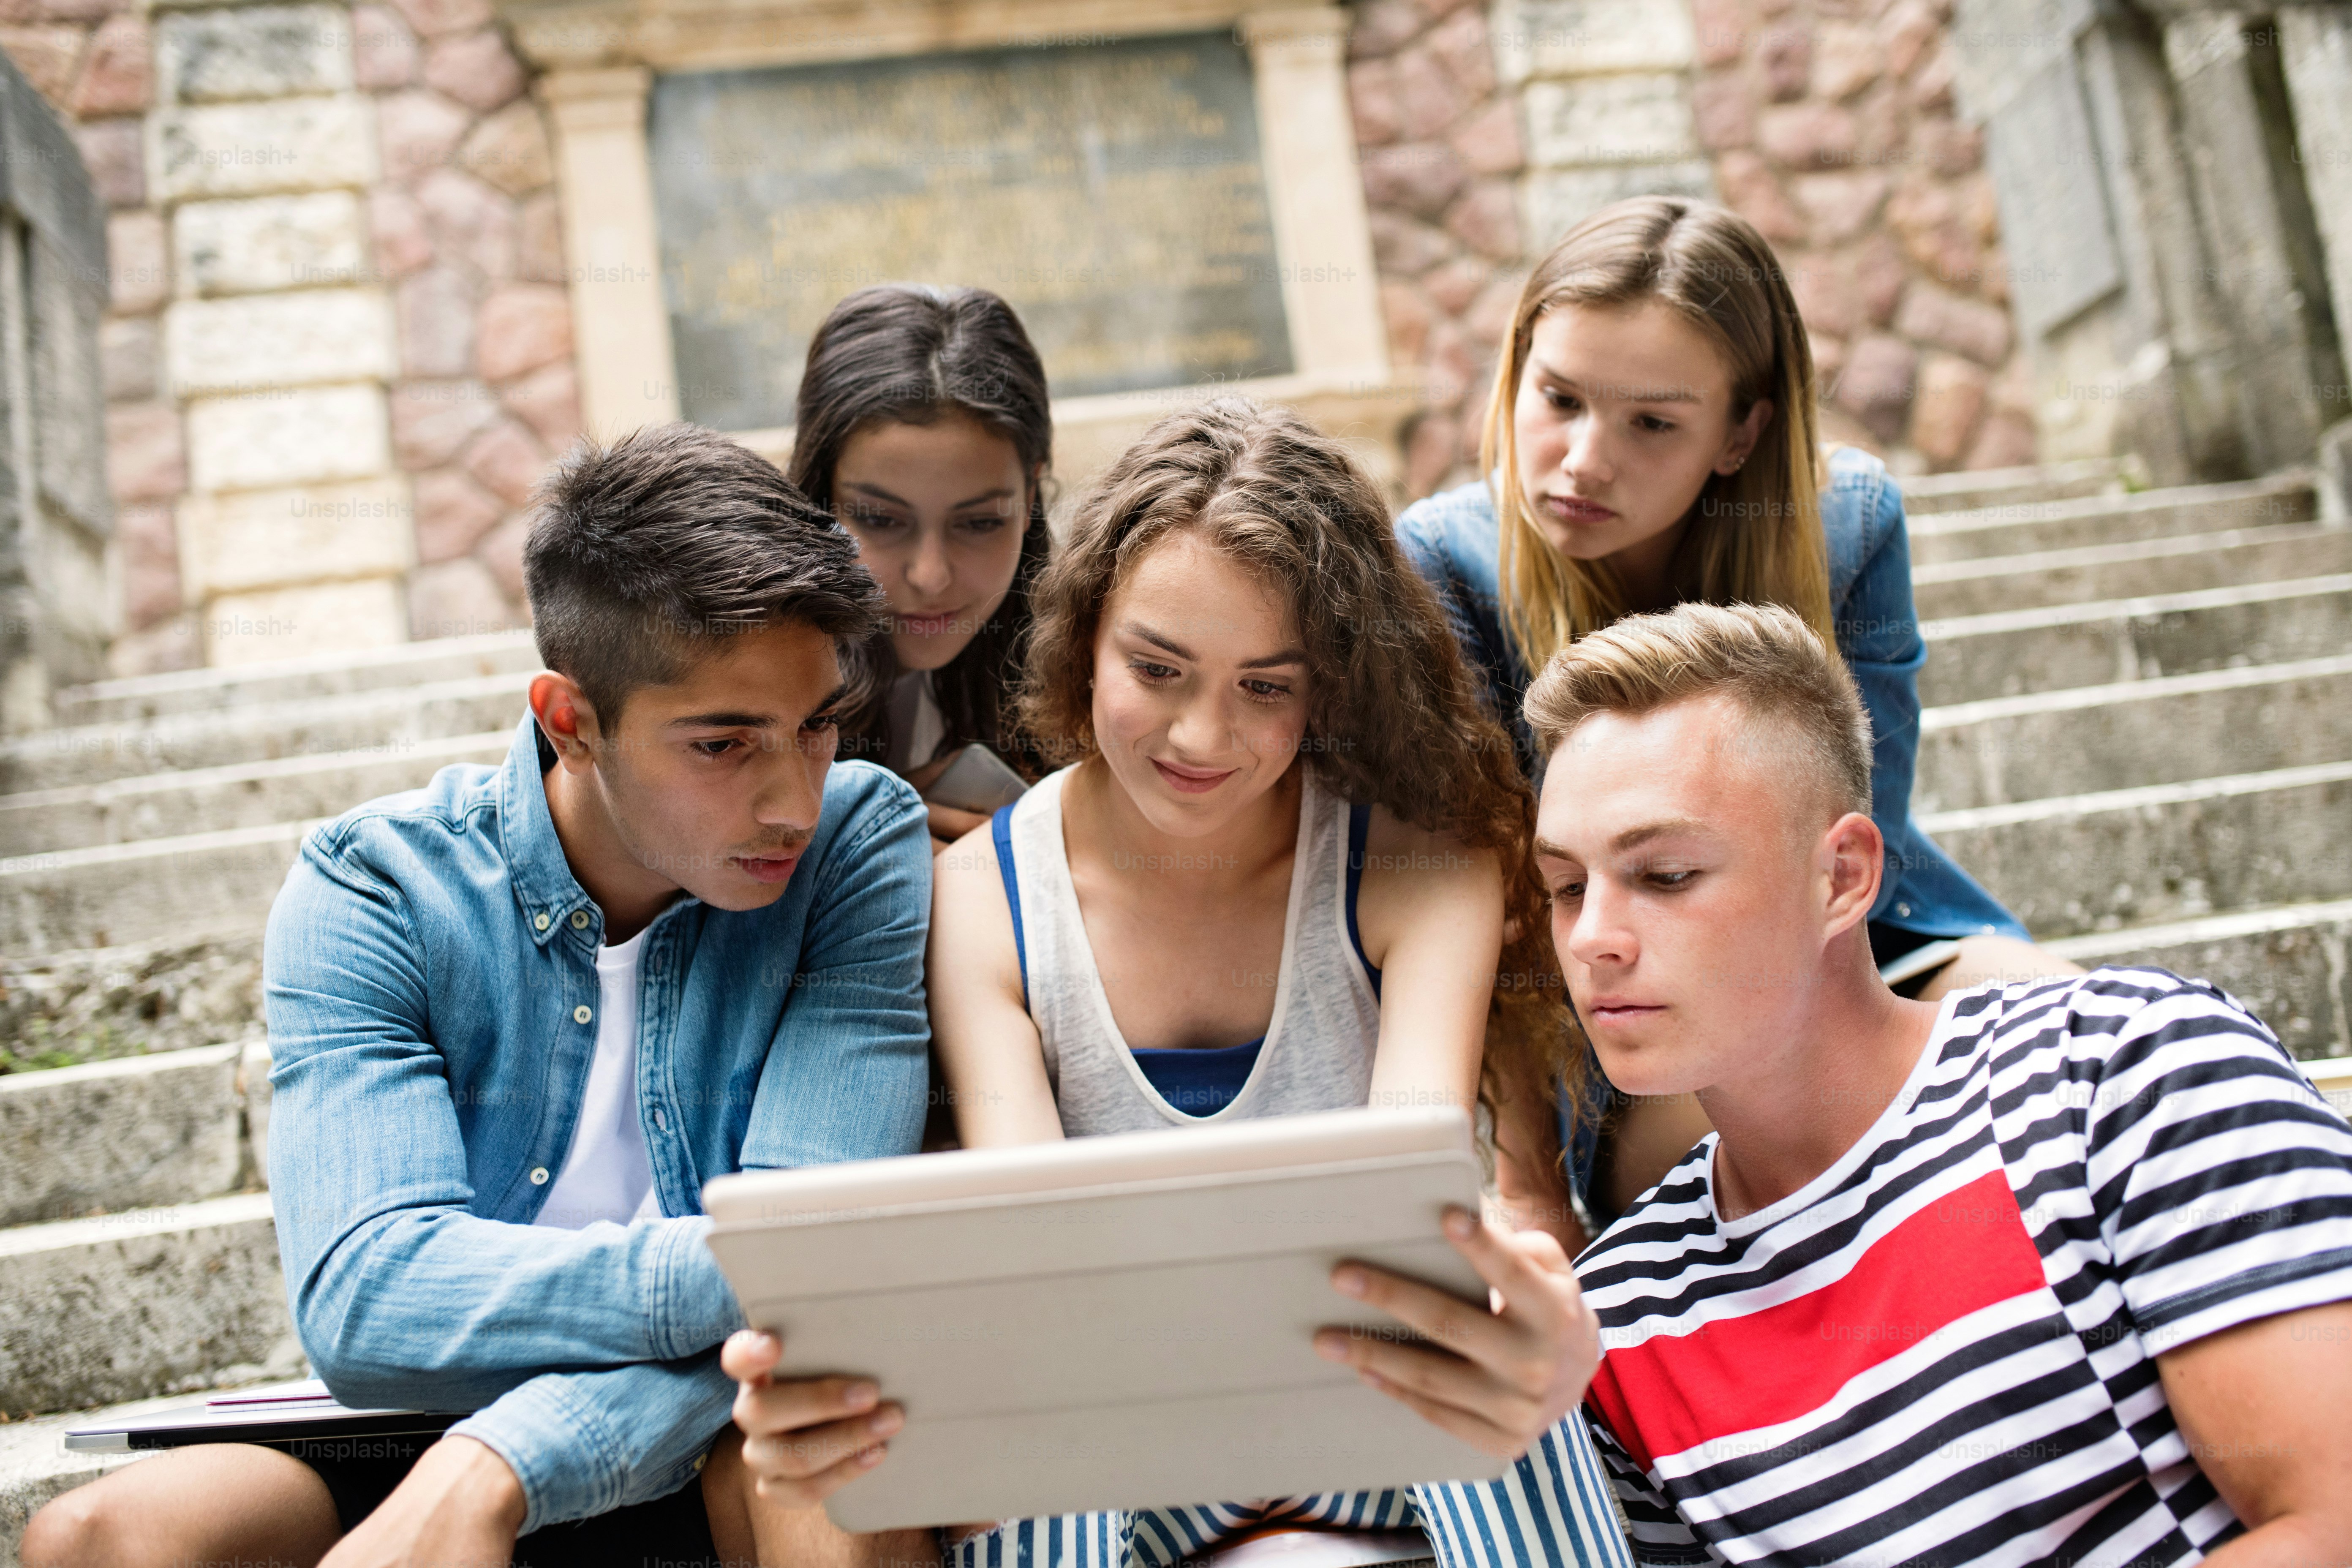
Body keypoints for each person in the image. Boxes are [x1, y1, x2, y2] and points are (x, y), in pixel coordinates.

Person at [23, 425, 942, 1568]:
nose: (792, 801)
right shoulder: (376, 891)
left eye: (814, 728)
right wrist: (719, 1279)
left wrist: (507, 1461)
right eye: (722, 745)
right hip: (423, 1439)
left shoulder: (858, 844)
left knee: (818, 1453)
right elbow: (367, 1305)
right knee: (98, 1537)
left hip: (716, 1438)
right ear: (571, 720)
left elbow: (821, 1273)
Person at [797, 396, 1626, 1567]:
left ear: (1327, 686)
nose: (1201, 735)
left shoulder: (1412, 861)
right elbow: (1040, 1250)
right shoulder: (986, 896)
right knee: (1046, 1405)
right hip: (1132, 1430)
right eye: (1159, 668)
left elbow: (1409, 1206)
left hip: (1378, 1398)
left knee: (1489, 1360)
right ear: (1086, 638)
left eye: (1265, 686)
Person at [1524, 601, 2352, 1567]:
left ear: (1841, 876)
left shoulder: (2124, 1070)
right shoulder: (1619, 1316)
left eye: (1664, 873)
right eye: (1568, 886)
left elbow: (2331, 1522)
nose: (1592, 938)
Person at [1394, 194, 2081, 1239]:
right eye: (1560, 397)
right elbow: (1486, 902)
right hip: (1625, 1017)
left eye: (1653, 422)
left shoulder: (1845, 523)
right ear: (1517, 367)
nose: (1583, 459)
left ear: (1742, 430)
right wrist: (1529, 1177)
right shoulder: (1443, 564)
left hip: (1863, 942)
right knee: (1754, 1159)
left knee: (2066, 1035)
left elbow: (1863, 836)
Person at [788, 283, 1053, 851]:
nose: (931, 576)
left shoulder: (1085, 667)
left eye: (979, 523)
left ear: (1031, 496)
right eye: (882, 520)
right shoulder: (732, 672)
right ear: (820, 497)